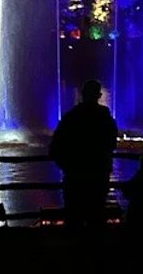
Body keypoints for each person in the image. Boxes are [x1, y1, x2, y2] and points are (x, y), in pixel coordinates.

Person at [49, 80, 119, 230]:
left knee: (74, 221)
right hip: (98, 178)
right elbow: (112, 144)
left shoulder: (70, 118)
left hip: (75, 179)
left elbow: (55, 148)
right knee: (97, 220)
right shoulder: (105, 119)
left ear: (82, 95)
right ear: (99, 95)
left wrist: (68, 167)